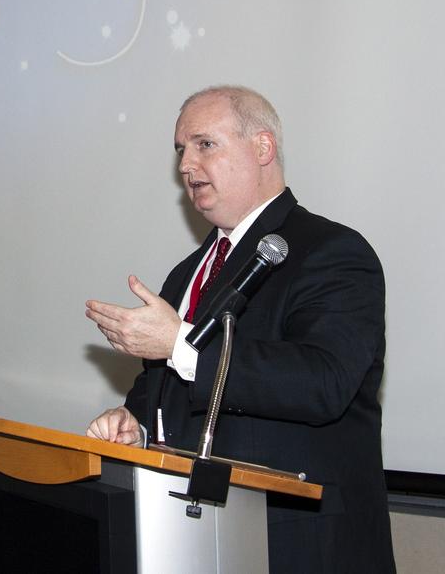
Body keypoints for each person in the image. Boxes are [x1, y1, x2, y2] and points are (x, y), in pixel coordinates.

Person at [85, 86, 395, 573]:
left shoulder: (332, 252)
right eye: (180, 151)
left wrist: (178, 344)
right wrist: (137, 424)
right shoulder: (189, 271)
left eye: (204, 144)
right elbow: (165, 382)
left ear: (263, 148)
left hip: (296, 544)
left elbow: (323, 382)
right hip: (195, 537)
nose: (186, 166)